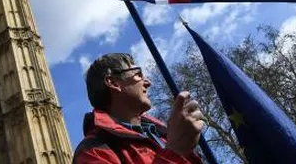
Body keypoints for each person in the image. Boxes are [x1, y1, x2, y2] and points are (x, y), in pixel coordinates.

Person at [73, 53, 204, 163]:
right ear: (113, 83)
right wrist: (175, 152)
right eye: (139, 74)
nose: (148, 82)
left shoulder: (164, 134)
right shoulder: (93, 151)